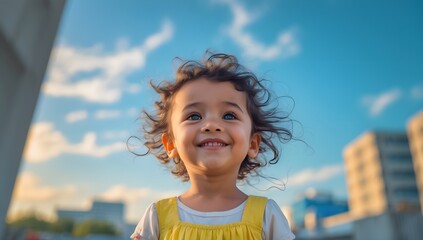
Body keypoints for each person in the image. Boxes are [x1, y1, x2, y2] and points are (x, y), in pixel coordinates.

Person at [131, 52, 295, 240]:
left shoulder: (267, 215)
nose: (211, 125)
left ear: (252, 143)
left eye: (229, 115)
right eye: (194, 116)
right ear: (171, 144)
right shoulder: (157, 218)